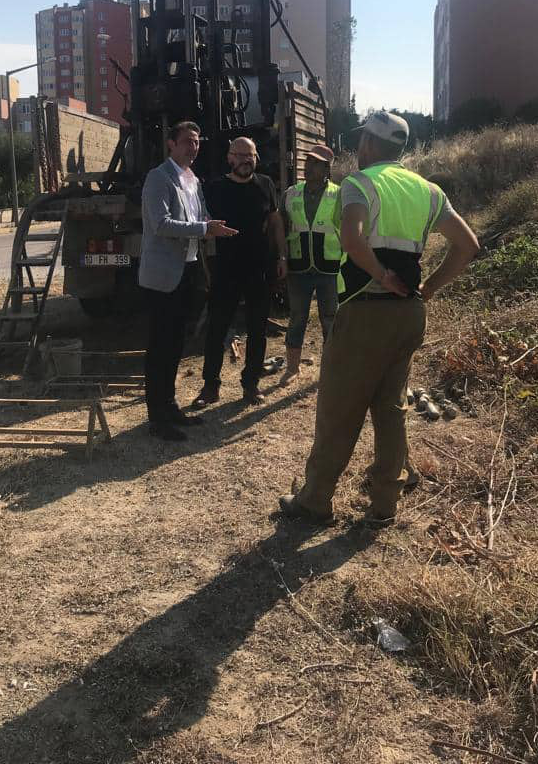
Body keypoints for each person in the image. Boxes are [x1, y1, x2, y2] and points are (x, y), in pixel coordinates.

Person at [279, 111, 479, 524]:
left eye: (361, 141)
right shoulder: (428, 191)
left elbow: (352, 238)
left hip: (365, 309)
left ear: (368, 143)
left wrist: (381, 274)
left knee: (338, 408)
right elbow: (468, 245)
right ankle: (385, 503)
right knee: (391, 408)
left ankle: (315, 500)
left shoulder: (360, 184)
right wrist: (428, 288)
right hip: (409, 315)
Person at [139, 121, 237, 441]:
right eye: (186, 141)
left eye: (196, 142)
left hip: (187, 270)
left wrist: (212, 224)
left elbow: (200, 216)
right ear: (171, 144)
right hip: (162, 276)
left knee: (176, 344)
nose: (193, 147)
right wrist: (203, 229)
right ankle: (157, 418)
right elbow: (161, 224)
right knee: (160, 347)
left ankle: (170, 407)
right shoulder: (159, 178)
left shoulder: (193, 180)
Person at [193, 136, 286, 408]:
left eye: (251, 155)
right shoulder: (215, 188)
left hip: (259, 269)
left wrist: (282, 255)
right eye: (240, 155)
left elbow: (274, 221)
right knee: (217, 328)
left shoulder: (265, 185)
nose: (246, 160)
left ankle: (251, 384)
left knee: (258, 329)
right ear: (229, 158)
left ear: (256, 158)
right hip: (226, 269)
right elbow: (201, 225)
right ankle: (210, 387)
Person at [280, 144, 341, 386]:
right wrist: (281, 257)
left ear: (327, 169)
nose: (309, 167)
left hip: (330, 268)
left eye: (316, 163)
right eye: (308, 161)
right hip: (299, 267)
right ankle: (292, 369)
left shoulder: (339, 194)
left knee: (330, 319)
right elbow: (280, 225)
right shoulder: (291, 193)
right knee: (297, 317)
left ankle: (331, 369)